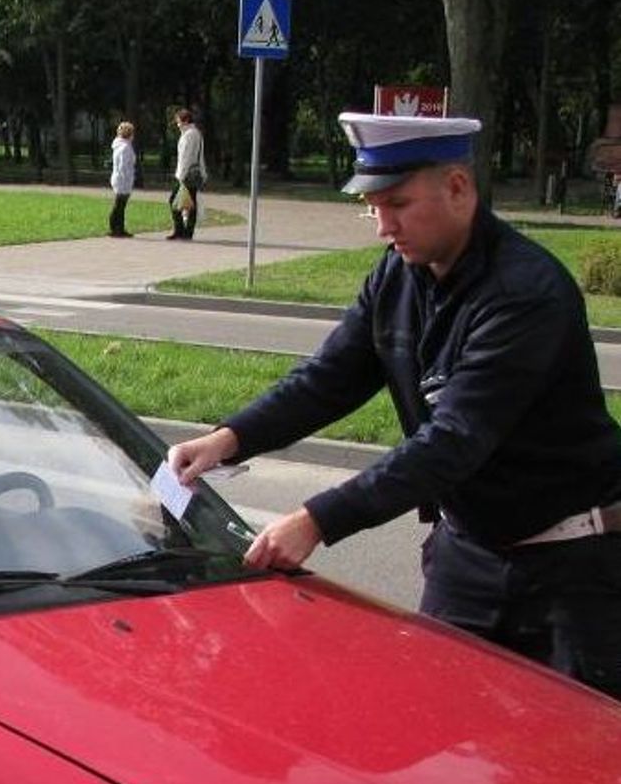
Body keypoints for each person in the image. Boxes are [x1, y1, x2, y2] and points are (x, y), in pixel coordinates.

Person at [168, 112, 621, 698]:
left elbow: (454, 440)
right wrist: (229, 438)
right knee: (436, 725)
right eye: (373, 206)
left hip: (572, 566)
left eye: (399, 204)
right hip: (468, 555)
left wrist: (319, 519)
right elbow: (329, 377)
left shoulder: (526, 293)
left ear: (458, 187)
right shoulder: (397, 275)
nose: (383, 226)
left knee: (576, 757)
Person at [167, 108, 206, 240]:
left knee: (175, 201)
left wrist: (181, 176)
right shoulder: (193, 133)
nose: (177, 124)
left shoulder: (190, 135)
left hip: (187, 174)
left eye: (178, 121)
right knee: (189, 202)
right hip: (191, 173)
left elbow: (187, 157)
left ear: (185, 121)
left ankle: (182, 230)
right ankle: (185, 231)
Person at [108, 121, 136, 238]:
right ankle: (117, 228)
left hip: (119, 178)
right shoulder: (125, 147)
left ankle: (118, 228)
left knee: (119, 205)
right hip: (123, 180)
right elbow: (123, 166)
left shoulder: (119, 145)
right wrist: (127, 179)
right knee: (120, 205)